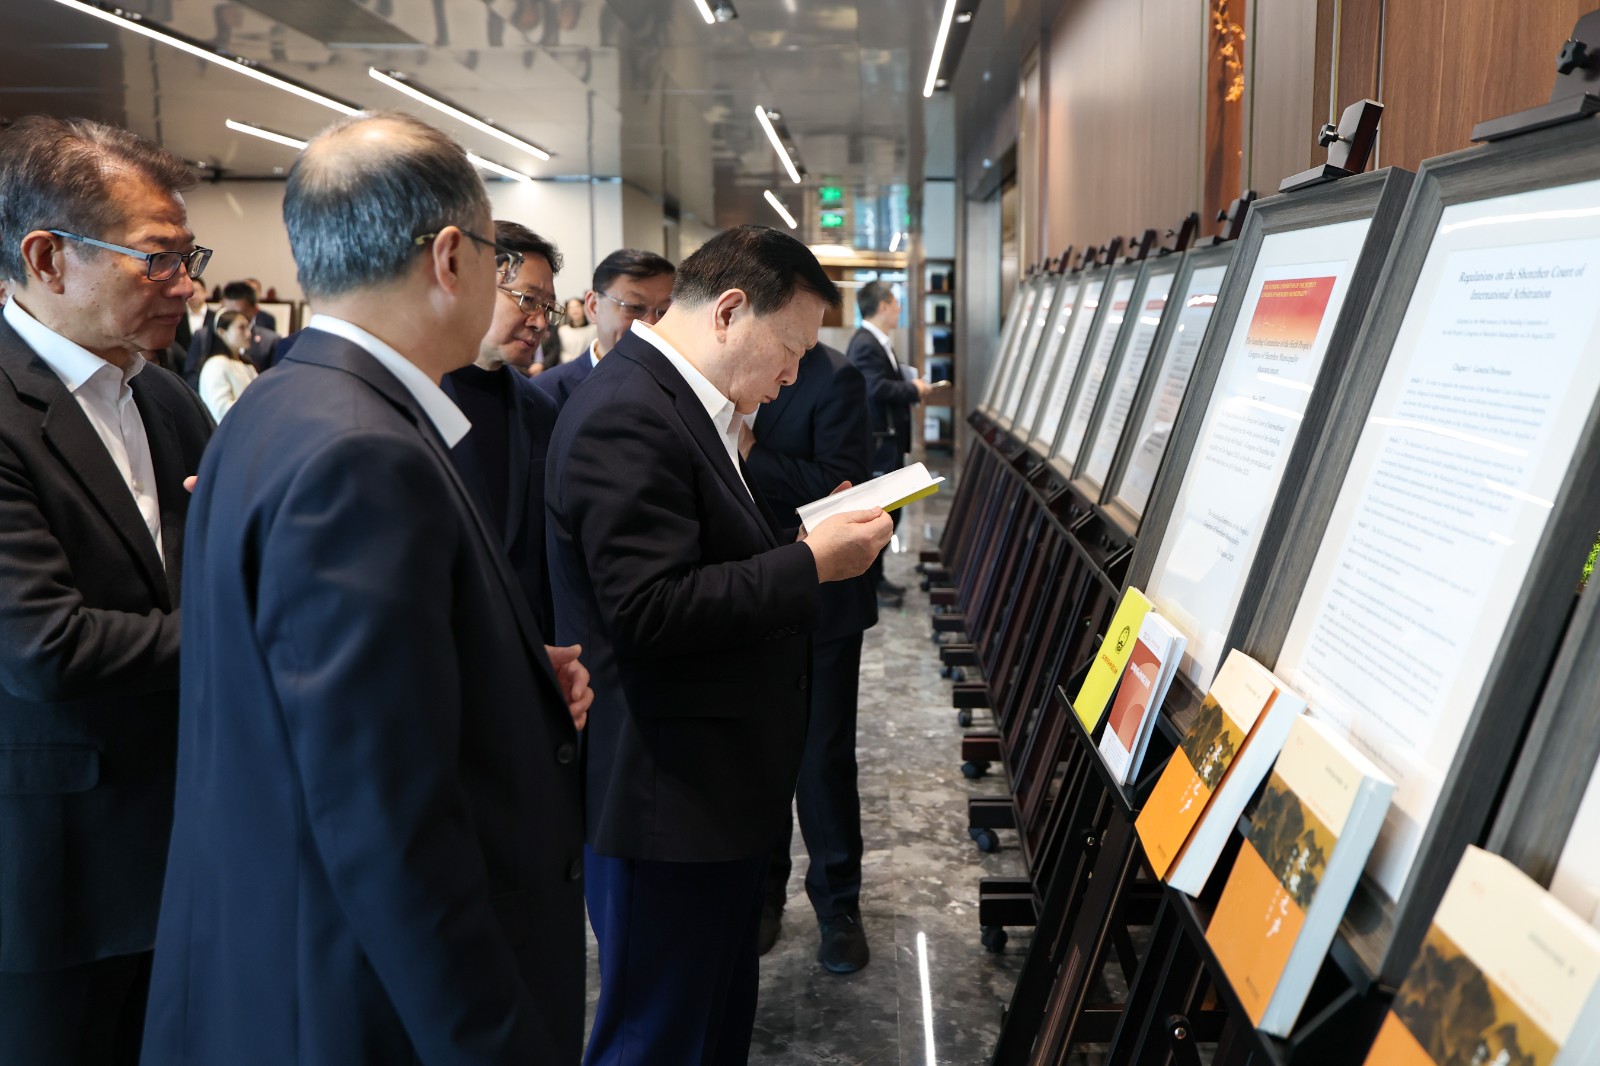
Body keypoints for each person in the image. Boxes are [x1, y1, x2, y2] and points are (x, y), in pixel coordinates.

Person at [143, 111, 590, 1064]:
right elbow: (387, 820)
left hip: (271, 956)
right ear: (451, 258)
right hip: (359, 1006)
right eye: (496, 259)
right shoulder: (363, 452)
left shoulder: (280, 402)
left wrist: (504, 678)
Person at [546, 224, 892, 1066]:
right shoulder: (630, 413)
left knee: (711, 1030)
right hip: (666, 800)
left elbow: (704, 556)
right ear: (731, 312)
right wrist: (810, 565)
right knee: (657, 1039)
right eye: (791, 349)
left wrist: (794, 546)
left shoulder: (688, 406)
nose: (793, 374)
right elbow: (650, 610)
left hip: (715, 792)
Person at [0, 114, 214, 1066]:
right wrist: (251, 625)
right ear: (47, 258)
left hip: (185, 847)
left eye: (187, 258)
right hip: (56, 875)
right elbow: (45, 647)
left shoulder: (164, 397)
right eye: (156, 259)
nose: (186, 285)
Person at [740, 342, 879, 973]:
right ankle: (764, 895)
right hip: (744, 590)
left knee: (822, 757)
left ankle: (838, 905)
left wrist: (755, 456)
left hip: (824, 597)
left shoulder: (834, 378)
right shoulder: (720, 366)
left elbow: (843, 488)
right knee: (757, 752)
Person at [440, 220, 564, 637]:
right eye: (528, 300)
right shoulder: (410, 395)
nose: (540, 322)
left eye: (548, 308)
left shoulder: (540, 408)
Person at [846, 280, 932, 607]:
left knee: (892, 512)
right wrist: (914, 390)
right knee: (883, 514)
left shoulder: (877, 340)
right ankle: (870, 584)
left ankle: (876, 579)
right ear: (882, 305)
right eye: (896, 302)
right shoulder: (866, 342)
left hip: (889, 443)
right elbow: (874, 387)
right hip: (879, 446)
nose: (899, 308)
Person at [535, 247, 674, 409]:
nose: (651, 325)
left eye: (664, 311)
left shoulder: (680, 388)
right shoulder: (547, 393)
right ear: (593, 307)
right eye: (634, 308)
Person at [182, 279, 278, 384]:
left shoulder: (269, 341)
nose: (232, 318)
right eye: (227, 312)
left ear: (254, 310)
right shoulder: (203, 336)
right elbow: (190, 376)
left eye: (238, 313)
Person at [196, 308, 258, 422]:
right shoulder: (215, 365)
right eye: (241, 328)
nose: (249, 334)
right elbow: (221, 411)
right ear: (222, 332)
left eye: (248, 327)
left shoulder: (247, 365)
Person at [555, 295, 595, 363]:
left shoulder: (593, 329)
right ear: (567, 311)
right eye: (571, 308)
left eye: (577, 306)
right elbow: (561, 352)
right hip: (568, 365)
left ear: (583, 308)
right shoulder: (562, 331)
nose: (574, 310)